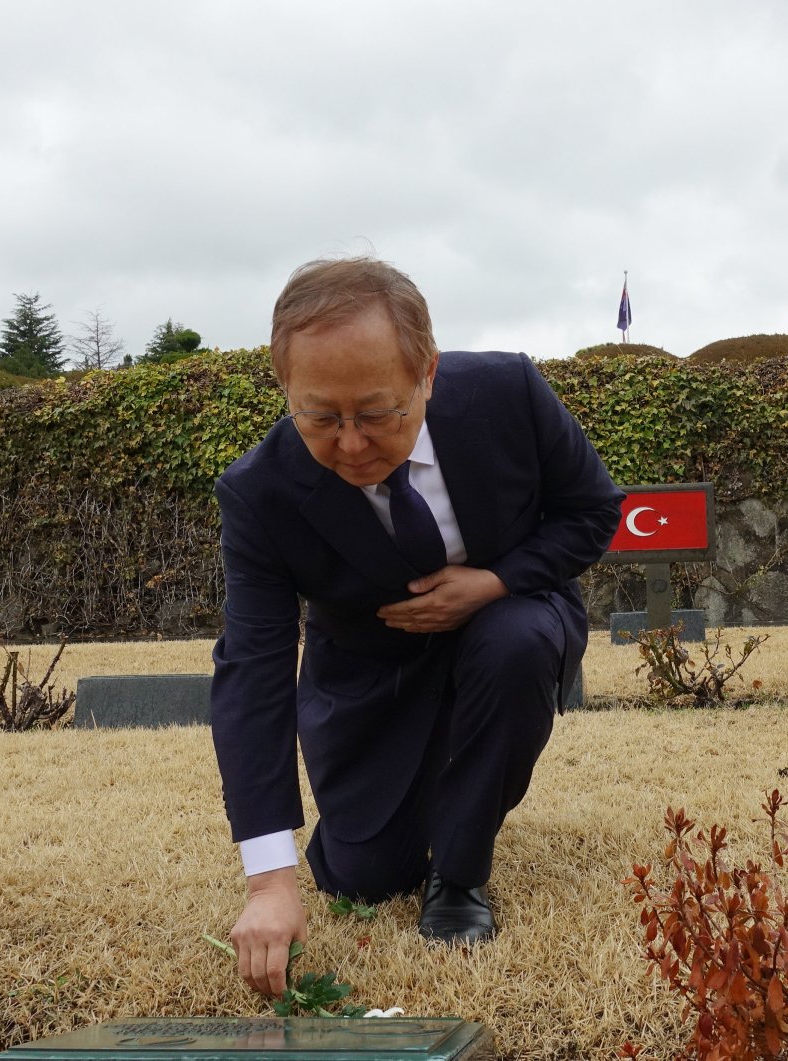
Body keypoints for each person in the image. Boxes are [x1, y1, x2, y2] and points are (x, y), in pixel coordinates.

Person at [210, 257, 623, 998]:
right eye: (320, 416)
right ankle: (409, 807)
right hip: (371, 669)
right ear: (285, 391)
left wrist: (490, 584)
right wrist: (269, 879)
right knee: (363, 876)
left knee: (515, 640)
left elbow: (592, 511)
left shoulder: (507, 394)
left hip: (510, 619)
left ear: (426, 373)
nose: (351, 444)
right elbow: (253, 670)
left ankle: (459, 879)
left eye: (377, 413)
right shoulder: (258, 494)